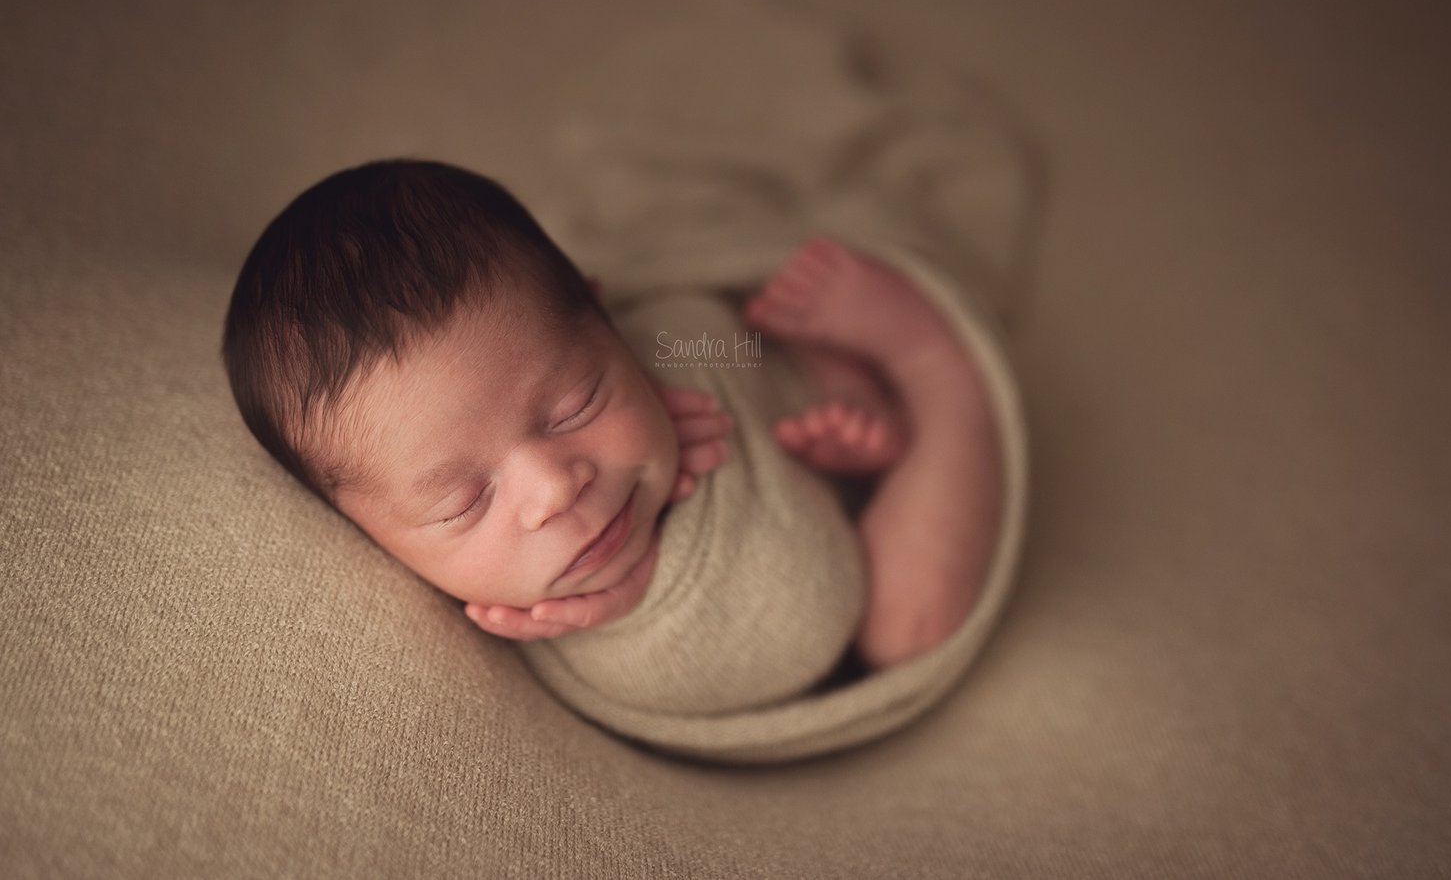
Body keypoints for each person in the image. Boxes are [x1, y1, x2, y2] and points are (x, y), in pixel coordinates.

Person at [222, 158, 1000, 671]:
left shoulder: (669, 336)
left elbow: (729, 337)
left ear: (604, 321)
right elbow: (777, 634)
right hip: (839, 578)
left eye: (574, 405)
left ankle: (928, 367)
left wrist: (786, 383)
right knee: (903, 632)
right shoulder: (516, 622)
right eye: (465, 501)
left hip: (777, 385)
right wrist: (638, 596)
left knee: (747, 335)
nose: (555, 488)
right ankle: (896, 402)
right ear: (374, 539)